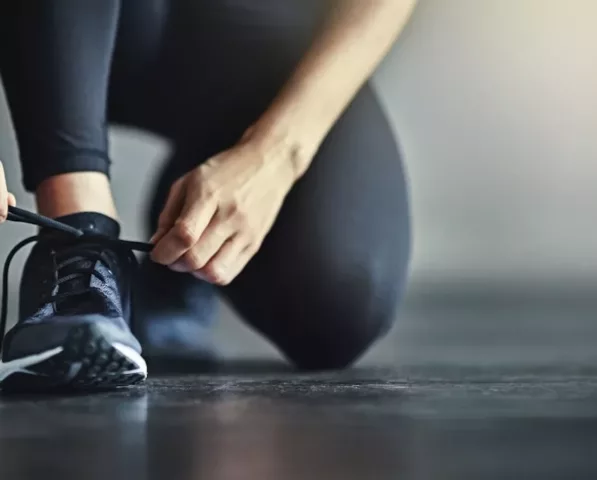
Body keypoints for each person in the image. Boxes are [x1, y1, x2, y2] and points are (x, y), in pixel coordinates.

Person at [0, 0, 415, 391]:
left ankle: (172, 263)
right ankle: (77, 252)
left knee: (341, 306)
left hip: (255, 33)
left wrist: (276, 153)